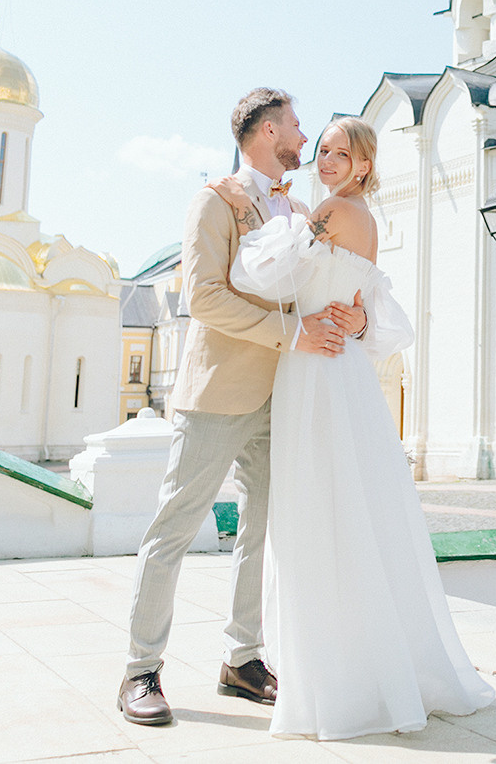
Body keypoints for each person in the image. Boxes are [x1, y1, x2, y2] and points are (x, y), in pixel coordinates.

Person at [217, 117, 495, 740]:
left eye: (342, 154)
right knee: (350, 509)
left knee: (316, 511)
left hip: (314, 366)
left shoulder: (332, 213)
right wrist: (358, 314)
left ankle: (333, 681)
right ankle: (360, 666)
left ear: (365, 164)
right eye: (322, 151)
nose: (327, 161)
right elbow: (368, 306)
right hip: (339, 368)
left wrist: (263, 216)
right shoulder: (364, 218)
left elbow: (261, 275)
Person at [117, 90, 367, 727]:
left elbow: (325, 284)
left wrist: (357, 316)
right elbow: (204, 299)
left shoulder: (299, 206)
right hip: (219, 393)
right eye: (294, 123)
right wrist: (292, 335)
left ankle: (243, 658)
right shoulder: (213, 200)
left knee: (260, 530)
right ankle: (140, 670)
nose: (304, 133)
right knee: (175, 528)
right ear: (264, 131)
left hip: (284, 394)